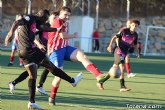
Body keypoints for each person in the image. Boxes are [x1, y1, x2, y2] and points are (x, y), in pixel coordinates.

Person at [5, 9, 83, 109]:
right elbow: (17, 22)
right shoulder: (30, 18)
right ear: (42, 17)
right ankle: (72, 81)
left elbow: (42, 28)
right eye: (45, 19)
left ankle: (31, 102)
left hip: (23, 52)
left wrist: (56, 30)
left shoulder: (36, 22)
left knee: (32, 76)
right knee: (51, 67)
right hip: (29, 50)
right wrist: (10, 33)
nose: (45, 21)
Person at [37, 6, 108, 105]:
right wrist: (73, 35)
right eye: (65, 14)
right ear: (60, 13)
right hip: (55, 51)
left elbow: (62, 37)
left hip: (65, 48)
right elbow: (63, 36)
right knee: (58, 77)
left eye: (69, 15)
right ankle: (52, 98)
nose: (67, 17)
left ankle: (98, 75)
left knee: (82, 56)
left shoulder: (65, 22)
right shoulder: (57, 20)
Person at [107, 19, 140, 92]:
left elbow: (135, 44)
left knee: (115, 68)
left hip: (124, 53)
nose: (134, 27)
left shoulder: (135, 35)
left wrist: (138, 52)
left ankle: (101, 81)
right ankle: (122, 87)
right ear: (130, 25)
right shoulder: (124, 31)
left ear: (137, 27)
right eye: (133, 25)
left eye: (136, 26)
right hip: (118, 51)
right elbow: (114, 37)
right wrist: (110, 46)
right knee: (122, 67)